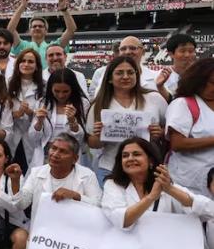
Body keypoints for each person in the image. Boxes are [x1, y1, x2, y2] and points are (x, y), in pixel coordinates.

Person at [86, 56, 167, 185]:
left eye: (130, 72)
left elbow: (169, 129)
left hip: (147, 169)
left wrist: (160, 132)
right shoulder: (99, 104)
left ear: (137, 75)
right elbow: (92, 143)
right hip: (110, 168)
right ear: (110, 78)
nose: (126, 77)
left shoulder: (154, 98)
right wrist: (98, 136)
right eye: (119, 73)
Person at [101, 137, 205, 230]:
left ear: (150, 161)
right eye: (125, 156)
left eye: (136, 154)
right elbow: (120, 220)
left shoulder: (162, 184)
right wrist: (150, 198)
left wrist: (170, 190)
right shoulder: (112, 184)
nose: (130, 159)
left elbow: (207, 210)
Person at [10, 133, 102, 221]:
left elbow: (98, 206)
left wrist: (76, 196)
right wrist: (15, 181)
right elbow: (21, 205)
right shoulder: (36, 172)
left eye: (62, 151)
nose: (55, 154)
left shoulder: (87, 175)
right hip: (42, 232)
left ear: (74, 159)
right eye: (53, 148)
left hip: (74, 231)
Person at [166, 58, 214, 197]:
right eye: (212, 82)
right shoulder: (183, 104)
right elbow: (177, 143)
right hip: (188, 184)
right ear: (199, 81)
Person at [27, 69, 89, 171]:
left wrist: (73, 122)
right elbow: (33, 138)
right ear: (50, 88)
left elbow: (82, 140)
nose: (61, 95)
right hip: (46, 155)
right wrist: (39, 122)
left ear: (72, 89)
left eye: (65, 91)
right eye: (56, 91)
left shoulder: (82, 104)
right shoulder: (43, 103)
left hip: (69, 155)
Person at [7, 0, 77, 69]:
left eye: (40, 26)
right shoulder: (22, 46)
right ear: (29, 31)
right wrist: (22, 6)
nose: (37, 28)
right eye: (34, 26)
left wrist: (64, 9)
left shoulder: (54, 47)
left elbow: (71, 30)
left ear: (46, 31)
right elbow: (10, 30)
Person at [6, 49, 45, 171]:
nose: (26, 64)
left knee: (30, 172)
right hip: (13, 135)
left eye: (30, 61)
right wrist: (16, 114)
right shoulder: (8, 83)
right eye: (23, 61)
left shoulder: (44, 86)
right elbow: (1, 112)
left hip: (32, 137)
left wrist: (30, 113)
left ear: (37, 66)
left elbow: (45, 114)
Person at [156, 33, 197, 101]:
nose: (187, 55)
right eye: (182, 51)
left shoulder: (202, 76)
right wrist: (160, 87)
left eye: (191, 51)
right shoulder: (161, 77)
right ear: (171, 54)